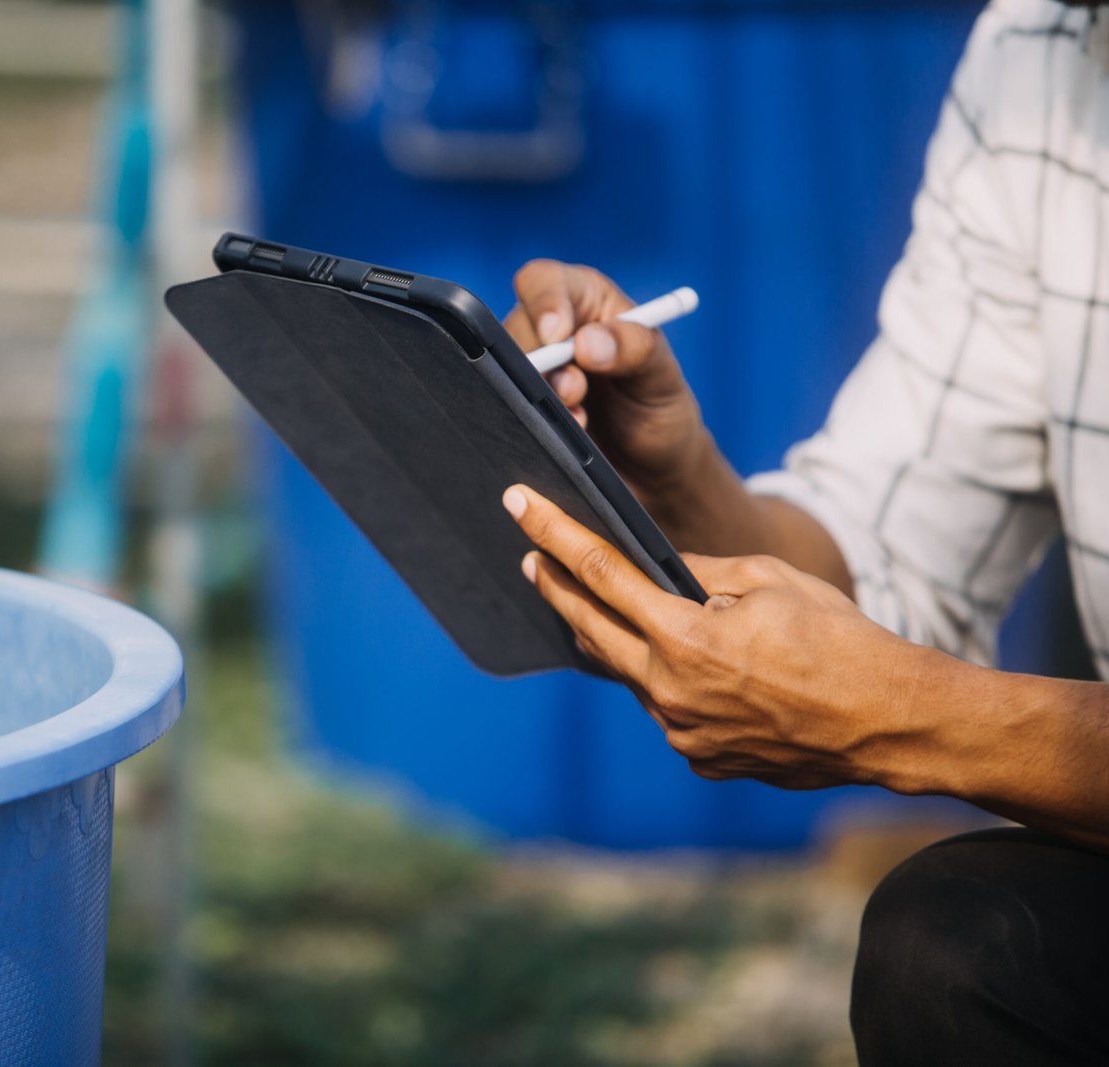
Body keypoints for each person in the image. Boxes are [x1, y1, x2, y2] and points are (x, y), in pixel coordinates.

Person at [498, 1, 1109, 1063]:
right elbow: (892, 549)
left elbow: (891, 683)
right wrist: (664, 480)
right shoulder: (1044, 52)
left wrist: (909, 714)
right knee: (958, 941)